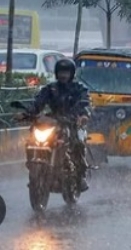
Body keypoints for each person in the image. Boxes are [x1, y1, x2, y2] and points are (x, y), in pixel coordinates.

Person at [16, 58, 91, 192]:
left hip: (71, 121)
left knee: (78, 142)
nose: (63, 75)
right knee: (32, 138)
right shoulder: (50, 88)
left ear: (72, 73)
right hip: (54, 121)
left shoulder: (79, 88)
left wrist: (83, 115)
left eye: (66, 72)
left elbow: (84, 103)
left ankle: (80, 177)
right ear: (56, 73)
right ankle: (33, 164)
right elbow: (37, 103)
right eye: (61, 72)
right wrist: (27, 113)